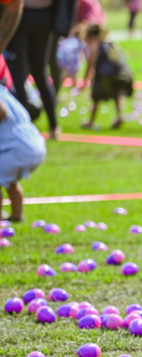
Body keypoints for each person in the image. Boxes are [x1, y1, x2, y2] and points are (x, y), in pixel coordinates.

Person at [1, 0, 47, 223]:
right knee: (10, 181)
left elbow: (1, 112)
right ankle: (17, 215)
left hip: (18, 147)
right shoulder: (6, 89)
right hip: (32, 142)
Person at [7, 0, 60, 139]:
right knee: (39, 74)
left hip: (23, 15)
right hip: (45, 16)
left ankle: (24, 127)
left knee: (19, 76)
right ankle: (54, 126)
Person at [82, 24, 132, 130]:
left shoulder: (95, 45)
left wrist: (85, 80)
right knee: (116, 96)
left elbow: (90, 64)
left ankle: (91, 122)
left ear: (91, 36)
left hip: (103, 76)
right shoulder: (110, 44)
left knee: (96, 98)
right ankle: (120, 116)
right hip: (116, 74)